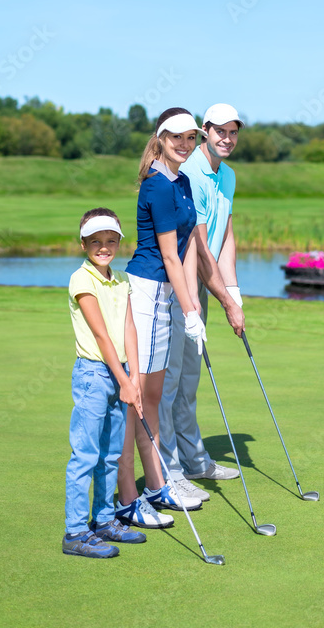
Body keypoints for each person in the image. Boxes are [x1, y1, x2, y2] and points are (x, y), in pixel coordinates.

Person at [115, 108, 208, 529]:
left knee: (152, 397)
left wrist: (191, 305)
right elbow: (168, 254)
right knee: (138, 398)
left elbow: (188, 250)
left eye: (191, 138)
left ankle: (155, 485)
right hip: (148, 293)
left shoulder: (183, 181)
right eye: (177, 137)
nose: (185, 144)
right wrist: (190, 310)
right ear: (161, 138)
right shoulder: (156, 186)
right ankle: (128, 497)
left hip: (168, 295)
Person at [158, 103, 246, 502]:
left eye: (234, 132)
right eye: (220, 131)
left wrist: (234, 289)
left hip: (205, 288)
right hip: (178, 288)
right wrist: (226, 300)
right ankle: (168, 469)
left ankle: (193, 460)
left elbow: (224, 237)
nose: (227, 138)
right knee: (172, 379)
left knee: (189, 379)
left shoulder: (226, 176)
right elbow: (198, 245)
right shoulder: (191, 171)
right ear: (205, 130)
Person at [63, 208, 146, 559]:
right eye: (95, 241)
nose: (103, 247)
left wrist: (136, 378)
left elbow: (129, 330)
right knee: (86, 454)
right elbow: (101, 335)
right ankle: (76, 532)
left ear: (119, 242)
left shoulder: (122, 280)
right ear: (83, 243)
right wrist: (123, 379)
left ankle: (104, 520)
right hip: (94, 375)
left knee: (111, 454)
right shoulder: (81, 280)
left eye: (110, 240)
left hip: (122, 372)